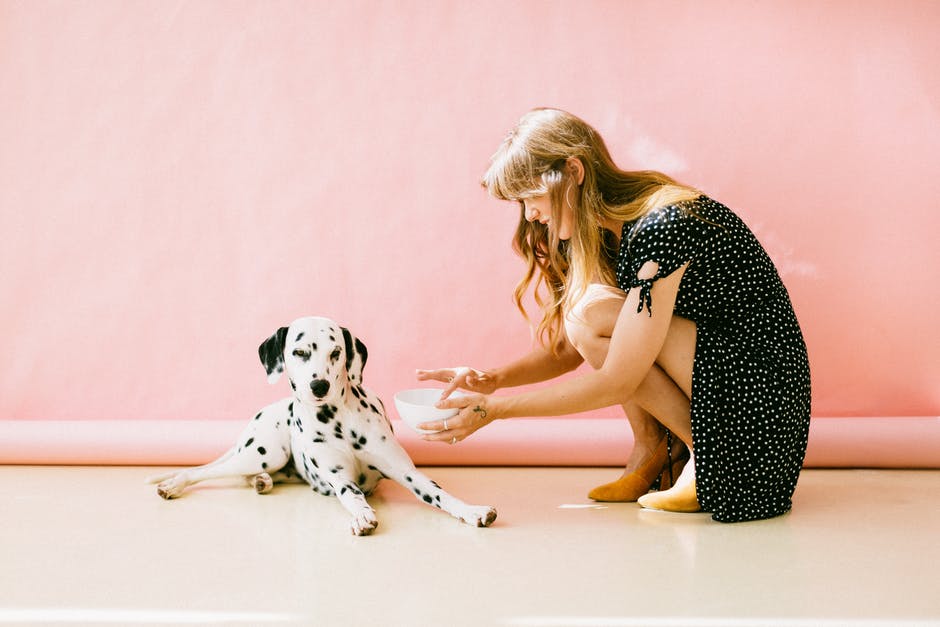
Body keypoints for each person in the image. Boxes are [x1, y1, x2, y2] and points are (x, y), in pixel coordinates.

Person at [417, 108, 810, 523]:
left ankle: (706, 454)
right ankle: (671, 451)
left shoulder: (663, 225)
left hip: (760, 403)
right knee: (586, 318)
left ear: (574, 170)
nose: (529, 214)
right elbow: (574, 350)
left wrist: (496, 411)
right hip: (722, 382)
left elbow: (617, 378)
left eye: (530, 196)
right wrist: (493, 381)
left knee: (590, 315)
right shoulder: (604, 233)